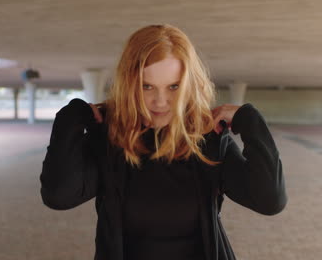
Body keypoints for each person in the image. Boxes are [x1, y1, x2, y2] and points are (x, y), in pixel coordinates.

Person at [40, 24, 287, 260]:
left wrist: (249, 120)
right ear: (130, 85)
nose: (160, 101)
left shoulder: (207, 140)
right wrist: (72, 117)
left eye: (173, 87)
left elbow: (269, 200)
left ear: (189, 86)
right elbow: (59, 196)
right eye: (147, 86)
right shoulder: (110, 139)